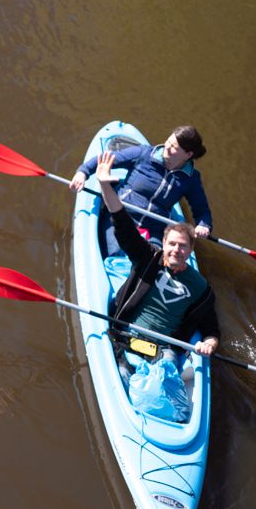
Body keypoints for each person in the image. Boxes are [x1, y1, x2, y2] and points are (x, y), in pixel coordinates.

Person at [93, 151, 219, 393]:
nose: (176, 250)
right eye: (172, 244)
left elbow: (212, 330)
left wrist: (209, 344)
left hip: (163, 350)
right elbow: (123, 224)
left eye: (183, 246)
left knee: (166, 388)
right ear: (163, 244)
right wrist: (105, 185)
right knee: (123, 377)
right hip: (127, 335)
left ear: (191, 250)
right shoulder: (148, 258)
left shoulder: (201, 287)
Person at [70, 126, 211, 256]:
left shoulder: (191, 179)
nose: (167, 147)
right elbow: (105, 159)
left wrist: (203, 225)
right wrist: (83, 172)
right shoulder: (143, 153)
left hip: (154, 227)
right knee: (115, 252)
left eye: (174, 147)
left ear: (188, 155)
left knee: (152, 261)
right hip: (121, 215)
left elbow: (202, 209)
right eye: (168, 141)